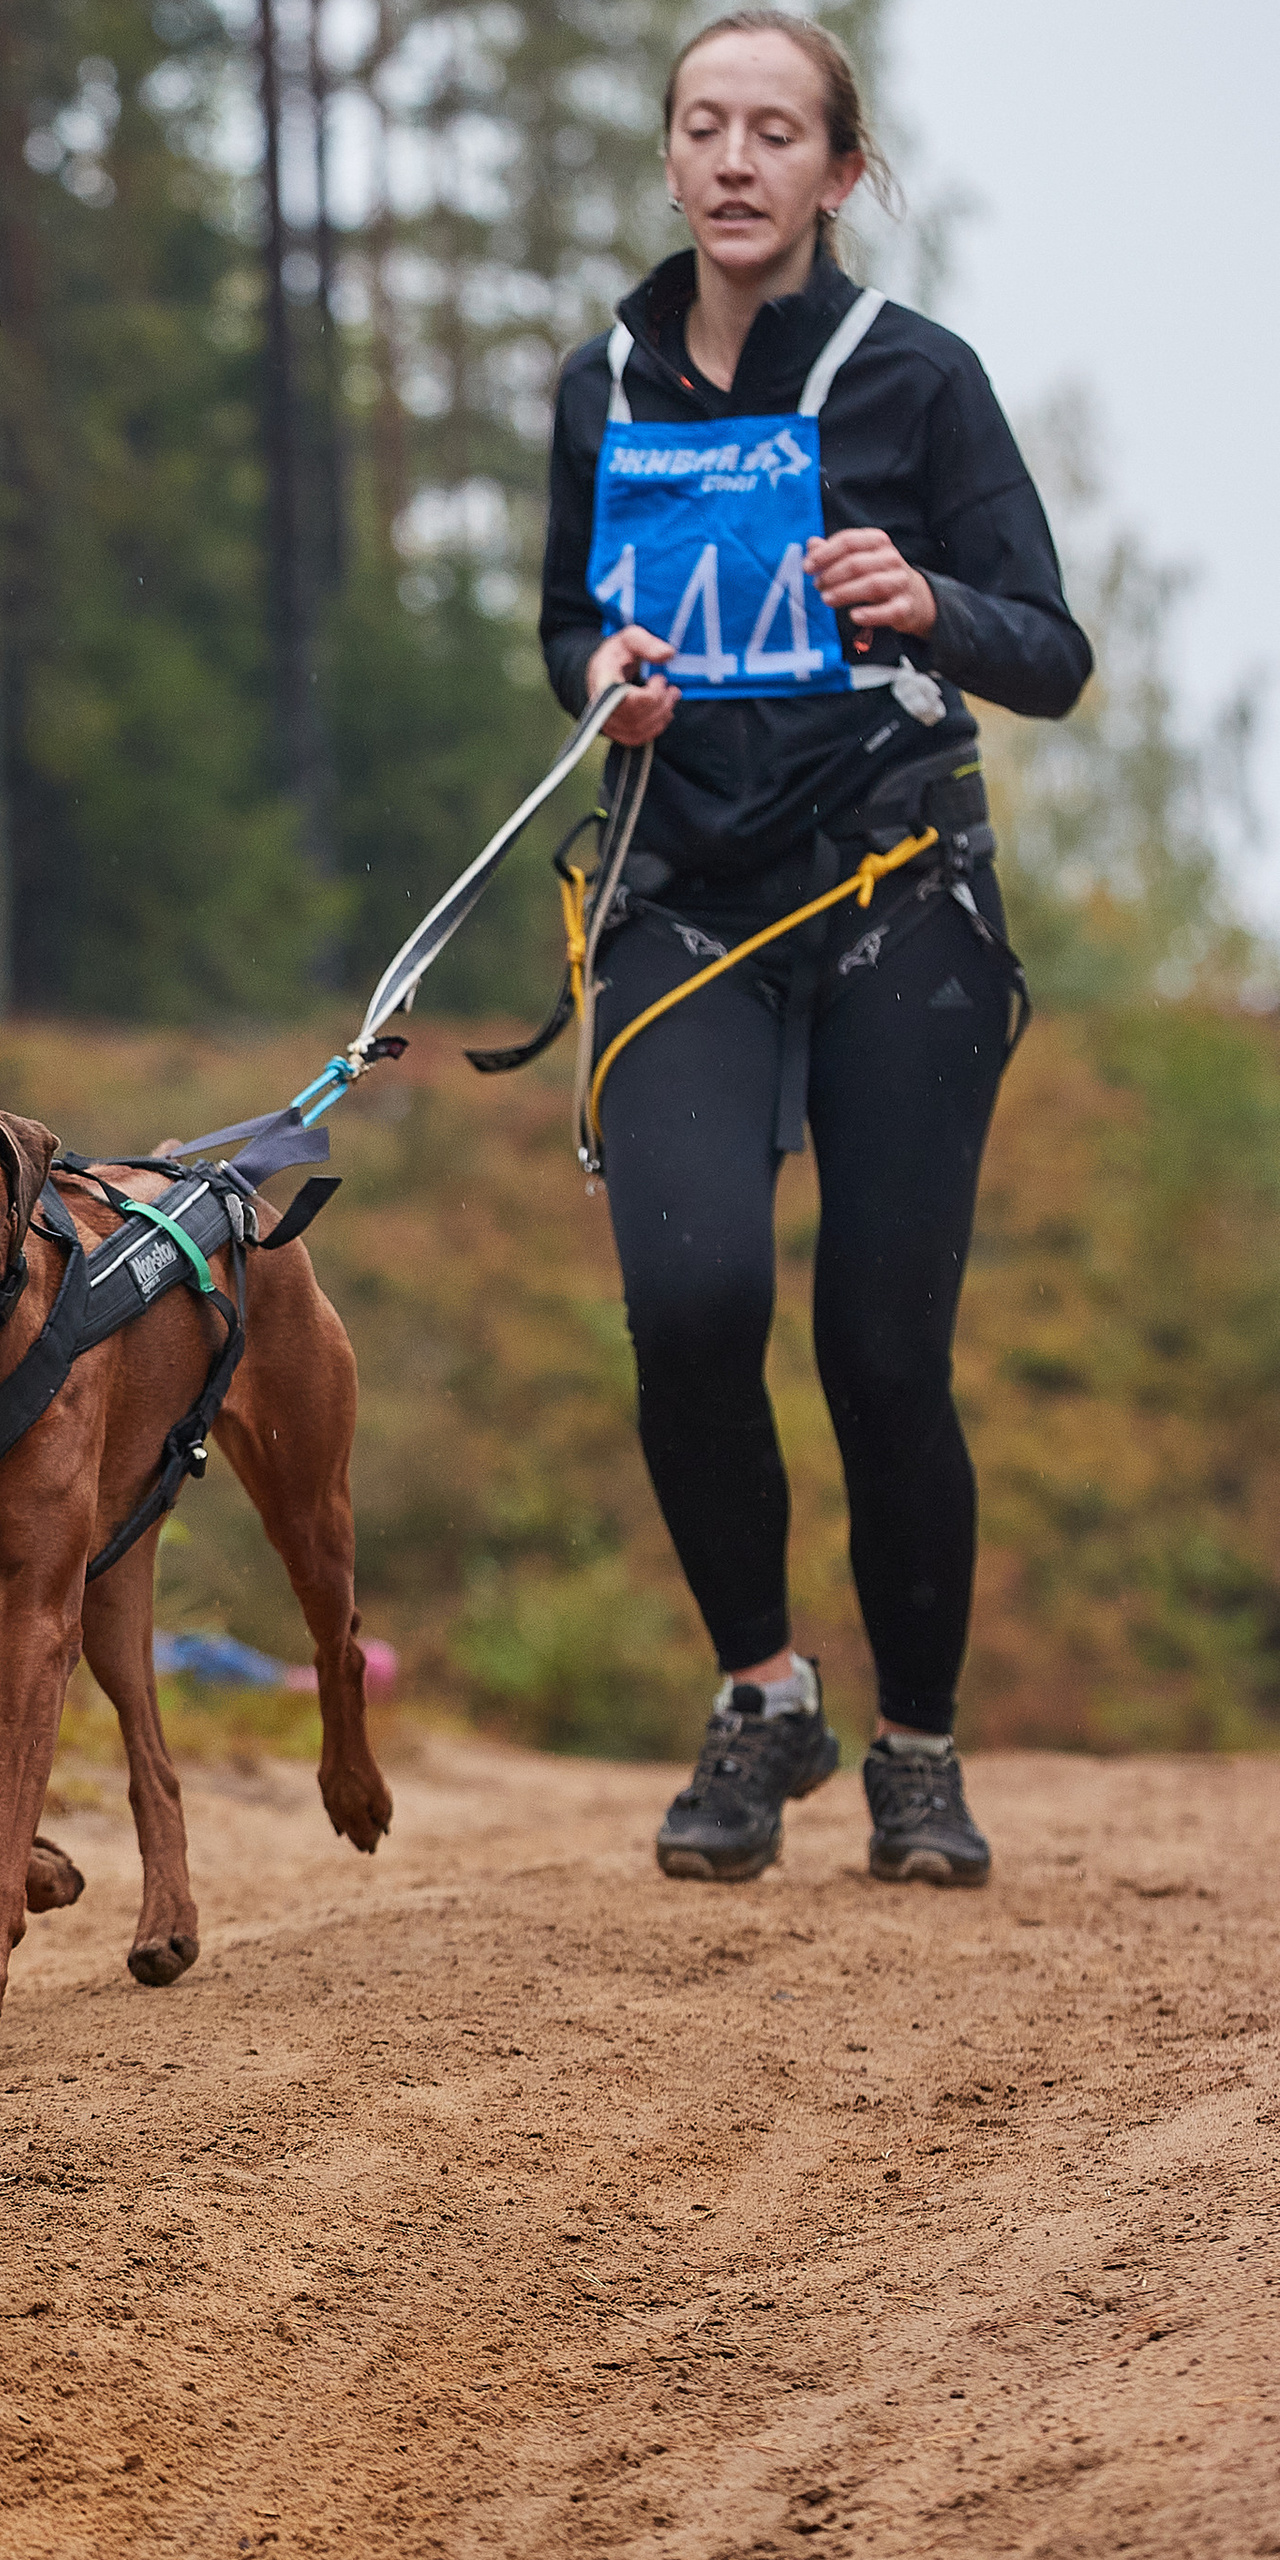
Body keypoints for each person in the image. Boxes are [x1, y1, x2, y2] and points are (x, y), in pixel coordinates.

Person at [534, 12, 1090, 1886]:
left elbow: (1053, 655)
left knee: (879, 1354)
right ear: (675, 158)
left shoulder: (920, 384)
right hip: (681, 907)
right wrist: (600, 680)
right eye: (707, 126)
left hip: (893, 907)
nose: (739, 160)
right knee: (692, 1314)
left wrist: (927, 592)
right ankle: (765, 1695)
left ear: (842, 173)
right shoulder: (599, 380)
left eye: (780, 132)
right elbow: (565, 628)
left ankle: (917, 1754)